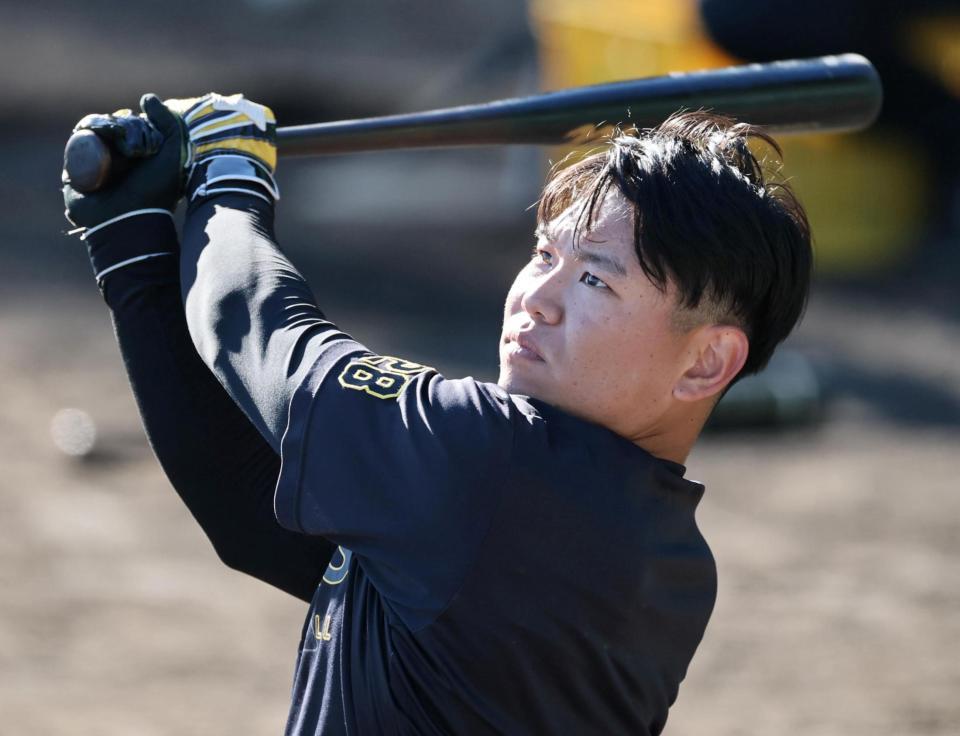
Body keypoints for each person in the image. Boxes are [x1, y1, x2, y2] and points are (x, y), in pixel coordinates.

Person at [62, 93, 812, 735]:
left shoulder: (496, 468)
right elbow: (249, 506)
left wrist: (230, 174)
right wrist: (131, 248)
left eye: (594, 279)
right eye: (545, 255)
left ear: (708, 362)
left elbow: (260, 331)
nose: (537, 299)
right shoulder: (656, 553)